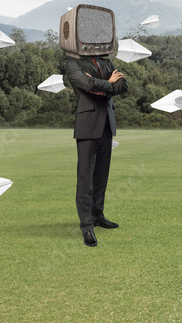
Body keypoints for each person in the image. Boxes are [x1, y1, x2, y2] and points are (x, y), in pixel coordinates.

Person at [66, 54, 128, 247]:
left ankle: (98, 215)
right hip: (87, 125)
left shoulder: (106, 62)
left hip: (107, 126)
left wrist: (101, 87)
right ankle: (86, 225)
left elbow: (124, 86)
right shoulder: (73, 63)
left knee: (101, 175)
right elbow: (85, 84)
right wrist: (109, 83)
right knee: (86, 178)